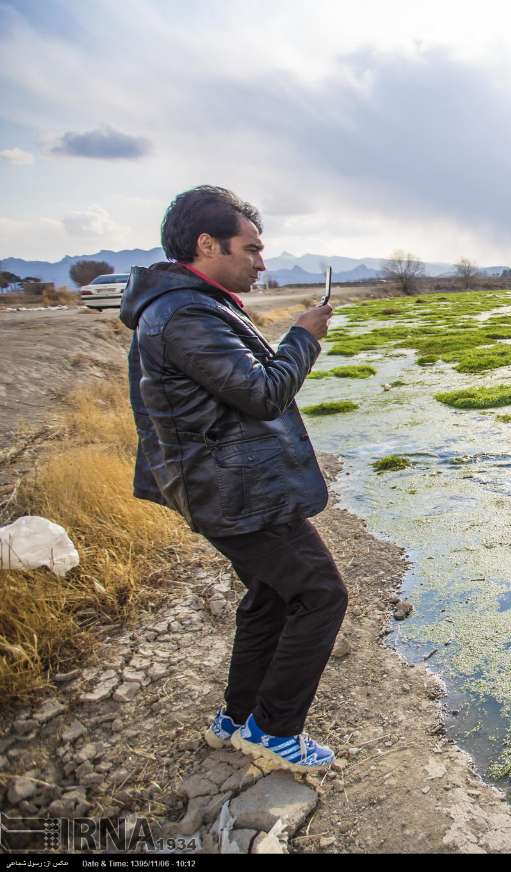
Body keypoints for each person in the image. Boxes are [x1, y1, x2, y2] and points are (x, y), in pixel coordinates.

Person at [119, 185, 344, 773]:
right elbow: (264, 392)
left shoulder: (189, 303)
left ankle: (235, 719)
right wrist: (304, 336)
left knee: (271, 595)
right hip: (235, 493)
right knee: (321, 595)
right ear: (206, 243)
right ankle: (273, 732)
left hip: (224, 486)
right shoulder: (186, 313)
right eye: (252, 248)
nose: (261, 262)